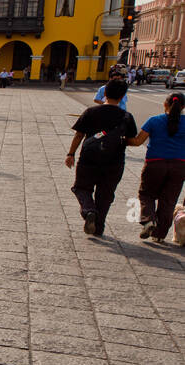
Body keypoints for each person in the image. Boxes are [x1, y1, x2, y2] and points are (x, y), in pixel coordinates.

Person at [65, 78, 137, 237]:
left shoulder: (91, 112)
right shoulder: (126, 117)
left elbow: (79, 134)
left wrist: (71, 154)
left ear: (104, 93)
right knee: (105, 195)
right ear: (123, 96)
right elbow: (132, 140)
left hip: (89, 159)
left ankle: (89, 210)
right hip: (114, 161)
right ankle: (98, 228)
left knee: (81, 188)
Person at [127, 92, 185, 242]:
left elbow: (138, 141)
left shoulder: (154, 121)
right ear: (183, 107)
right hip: (179, 166)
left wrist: (121, 139)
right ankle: (159, 236)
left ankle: (149, 220)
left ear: (165, 104)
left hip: (155, 163)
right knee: (169, 201)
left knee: (146, 194)